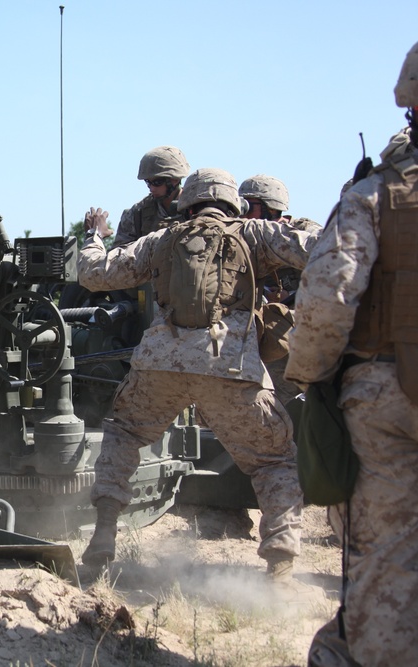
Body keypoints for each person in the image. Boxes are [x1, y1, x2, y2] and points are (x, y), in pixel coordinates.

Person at [77, 167, 315, 579]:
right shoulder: (254, 233)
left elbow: (94, 274)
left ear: (187, 201)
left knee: (124, 433)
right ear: (231, 202)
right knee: (274, 459)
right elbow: (323, 249)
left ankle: (103, 534)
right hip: (229, 366)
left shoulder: (162, 238)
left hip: (159, 363)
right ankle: (279, 564)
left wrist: (94, 237)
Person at [286, 41, 418, 666]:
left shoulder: (376, 195)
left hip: (392, 395)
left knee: (389, 557)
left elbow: (325, 301)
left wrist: (312, 382)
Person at [238, 174, 322, 407]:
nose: (242, 212)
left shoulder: (302, 232)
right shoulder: (244, 236)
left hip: (306, 331)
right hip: (268, 335)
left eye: (249, 206)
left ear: (271, 209)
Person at [87, 145, 190, 247]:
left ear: (175, 179)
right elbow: (119, 258)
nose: (151, 188)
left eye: (157, 182)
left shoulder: (196, 208)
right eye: (148, 182)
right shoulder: (137, 214)